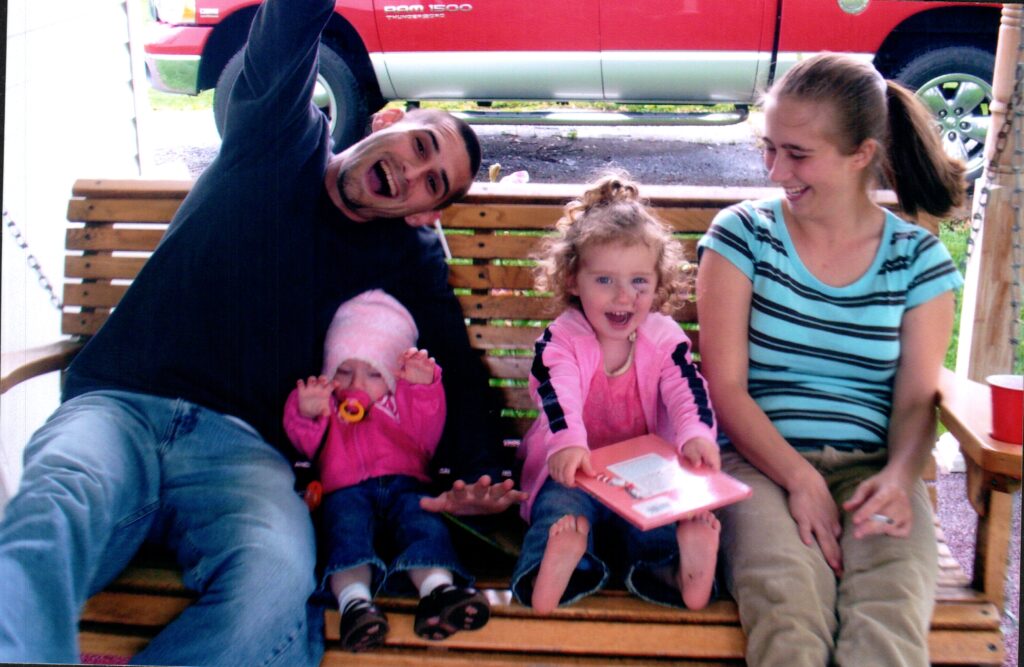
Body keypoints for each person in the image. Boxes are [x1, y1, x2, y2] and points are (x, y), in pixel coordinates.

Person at [0, 0, 524, 663]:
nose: (411, 173)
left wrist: (483, 475)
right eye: (419, 147)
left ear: (426, 212)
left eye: (432, 184)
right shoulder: (277, 133)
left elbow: (451, 361)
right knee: (51, 512)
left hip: (242, 453)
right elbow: (286, 30)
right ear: (388, 120)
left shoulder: (405, 255)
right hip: (118, 408)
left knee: (276, 584)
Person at [695, 53, 966, 666]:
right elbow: (726, 386)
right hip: (759, 466)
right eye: (768, 149)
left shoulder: (917, 262)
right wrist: (800, 478)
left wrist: (899, 478)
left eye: (797, 154)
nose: (776, 172)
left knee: (888, 619)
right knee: (787, 607)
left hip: (874, 470)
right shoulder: (743, 236)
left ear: (861, 154)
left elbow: (916, 401)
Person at [510, 173, 721, 615]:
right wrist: (568, 443)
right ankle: (551, 574)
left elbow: (688, 390)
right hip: (577, 469)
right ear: (573, 280)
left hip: (644, 475)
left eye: (639, 281)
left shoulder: (663, 337)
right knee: (561, 513)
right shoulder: (562, 339)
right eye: (604, 280)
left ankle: (680, 572)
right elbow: (556, 393)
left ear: (658, 282)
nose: (624, 296)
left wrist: (695, 434)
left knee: (659, 523)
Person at [284, 290, 489, 652]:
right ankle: (355, 605)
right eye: (343, 371)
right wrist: (305, 412)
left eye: (373, 373)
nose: (356, 384)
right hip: (344, 491)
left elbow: (426, 433)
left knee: (423, 523)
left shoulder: (401, 404)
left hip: (406, 485)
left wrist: (422, 386)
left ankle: (438, 590)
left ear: (393, 376)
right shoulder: (328, 407)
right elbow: (306, 443)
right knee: (344, 532)